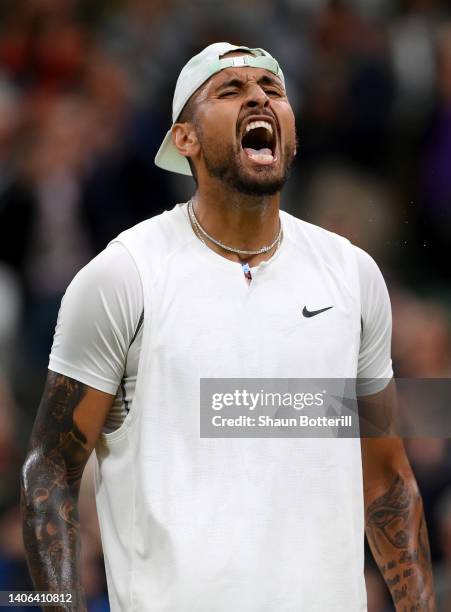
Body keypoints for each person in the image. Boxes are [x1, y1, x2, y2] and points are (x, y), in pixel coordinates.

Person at [20, 42, 436, 611]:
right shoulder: (125, 276)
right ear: (184, 139)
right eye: (230, 89)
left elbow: (387, 480)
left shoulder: (352, 274)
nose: (260, 96)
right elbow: (50, 471)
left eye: (273, 88)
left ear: (290, 131)